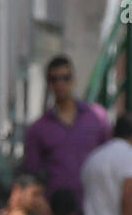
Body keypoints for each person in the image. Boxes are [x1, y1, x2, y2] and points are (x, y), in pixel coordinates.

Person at [22, 56, 110, 204]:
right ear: (49, 83)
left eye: (65, 78)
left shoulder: (97, 117)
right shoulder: (38, 128)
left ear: (73, 80)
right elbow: (31, 175)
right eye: (54, 79)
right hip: (57, 213)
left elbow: (110, 160)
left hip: (94, 208)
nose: (60, 83)